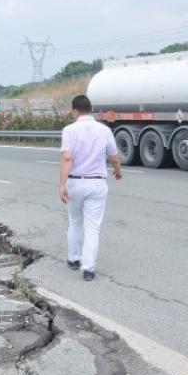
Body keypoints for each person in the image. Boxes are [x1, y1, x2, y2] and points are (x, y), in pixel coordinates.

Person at [59, 95, 122, 281]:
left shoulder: (69, 130)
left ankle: (73, 259)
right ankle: (88, 269)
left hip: (75, 182)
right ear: (91, 109)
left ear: (74, 111)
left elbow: (67, 158)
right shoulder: (104, 130)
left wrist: (62, 184)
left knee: (75, 221)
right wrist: (117, 172)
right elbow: (114, 157)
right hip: (96, 183)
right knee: (93, 227)